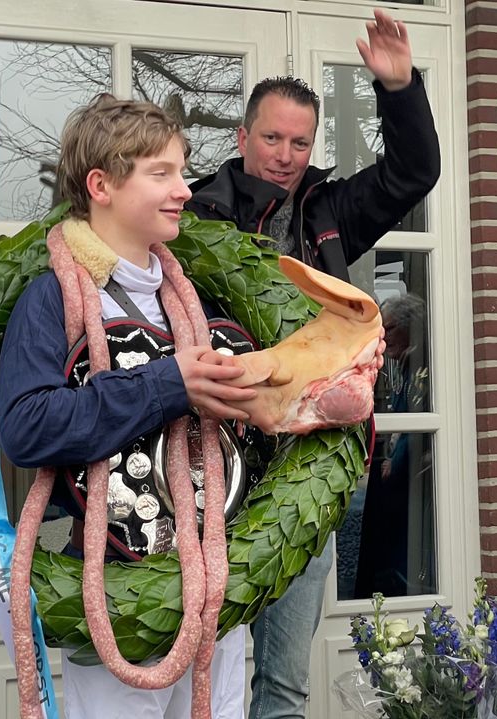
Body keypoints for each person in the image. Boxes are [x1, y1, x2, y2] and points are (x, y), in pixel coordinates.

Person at [185, 10, 440, 716]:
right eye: (272, 137)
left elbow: (416, 170)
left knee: (285, 683)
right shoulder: (196, 216)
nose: (287, 154)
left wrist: (398, 87)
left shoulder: (331, 210)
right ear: (242, 138)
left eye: (300, 141)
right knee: (202, 681)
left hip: (313, 475)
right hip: (216, 476)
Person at [0, 94, 258, 718]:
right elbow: (26, 428)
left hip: (213, 595)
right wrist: (168, 385)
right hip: (115, 593)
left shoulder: (197, 303)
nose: (185, 190)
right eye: (160, 172)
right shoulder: (49, 299)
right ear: (101, 185)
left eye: (182, 169)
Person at [355, 293, 431, 598]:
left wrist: (396, 462)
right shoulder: (404, 364)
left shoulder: (424, 365)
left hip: (410, 486)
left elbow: (417, 423)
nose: (383, 338)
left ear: (407, 328)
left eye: (389, 328)